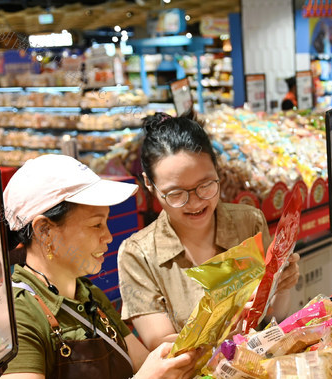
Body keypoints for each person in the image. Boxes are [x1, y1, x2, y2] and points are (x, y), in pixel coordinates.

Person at [0, 155, 197, 379]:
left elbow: (142, 363)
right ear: (45, 230)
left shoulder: (86, 293)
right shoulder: (18, 313)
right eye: (95, 225)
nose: (108, 236)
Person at [118, 113, 300, 350]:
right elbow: (162, 347)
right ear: (149, 184)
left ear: (217, 169)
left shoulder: (248, 222)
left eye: (205, 185)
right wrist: (227, 325)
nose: (195, 202)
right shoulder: (138, 254)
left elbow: (270, 318)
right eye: (176, 194)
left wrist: (282, 285)